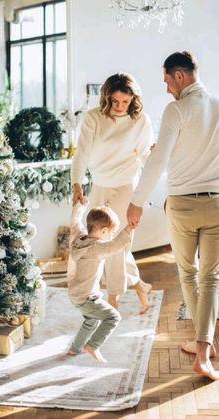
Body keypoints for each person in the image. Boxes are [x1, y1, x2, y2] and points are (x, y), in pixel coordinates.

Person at [127, 51, 219, 380]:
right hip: (216, 203)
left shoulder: (176, 109)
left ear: (180, 76)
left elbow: (158, 162)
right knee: (211, 278)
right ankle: (205, 349)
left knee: (188, 274)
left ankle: (202, 345)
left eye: (167, 81)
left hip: (181, 204)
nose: (166, 88)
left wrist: (136, 202)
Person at [71, 73, 155, 313]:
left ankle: (113, 297)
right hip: (99, 184)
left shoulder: (140, 120)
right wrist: (76, 183)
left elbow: (145, 156)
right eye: (115, 101)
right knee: (99, 240)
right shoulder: (93, 118)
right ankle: (139, 285)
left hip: (126, 186)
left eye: (125, 102)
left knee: (116, 243)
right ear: (106, 98)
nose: (119, 107)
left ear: (132, 100)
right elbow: (82, 154)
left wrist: (155, 154)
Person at [67, 201, 133, 362]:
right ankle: (92, 346)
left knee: (91, 320)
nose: (111, 236)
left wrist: (79, 206)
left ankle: (75, 349)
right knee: (113, 317)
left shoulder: (79, 237)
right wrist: (128, 229)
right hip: (86, 297)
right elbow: (114, 245)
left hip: (76, 294)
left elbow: (75, 221)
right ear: (104, 231)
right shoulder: (97, 248)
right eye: (111, 232)